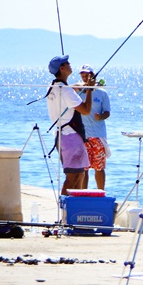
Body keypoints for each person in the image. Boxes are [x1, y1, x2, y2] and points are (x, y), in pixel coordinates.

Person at [46, 55, 93, 194]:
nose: (69, 64)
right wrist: (89, 89)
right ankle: (64, 206)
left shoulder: (52, 87)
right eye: (66, 63)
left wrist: (79, 87)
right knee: (73, 177)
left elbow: (68, 92)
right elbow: (86, 110)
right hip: (70, 137)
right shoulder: (66, 90)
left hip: (61, 136)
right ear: (61, 68)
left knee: (80, 174)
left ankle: (73, 206)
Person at [76, 64, 111, 190]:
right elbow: (70, 88)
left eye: (87, 75)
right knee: (83, 168)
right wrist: (83, 87)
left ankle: (101, 193)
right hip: (82, 136)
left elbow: (107, 112)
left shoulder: (102, 93)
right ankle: (83, 194)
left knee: (99, 167)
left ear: (93, 76)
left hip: (98, 135)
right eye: (83, 75)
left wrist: (100, 116)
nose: (85, 78)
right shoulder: (78, 91)